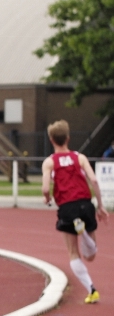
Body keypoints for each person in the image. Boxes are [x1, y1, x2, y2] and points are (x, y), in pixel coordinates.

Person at [41, 120, 108, 304]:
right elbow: (94, 180)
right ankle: (85, 234)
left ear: (51, 139)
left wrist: (47, 199)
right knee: (91, 256)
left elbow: (46, 188)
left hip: (67, 208)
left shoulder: (49, 162)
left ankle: (91, 290)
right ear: (68, 139)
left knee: (73, 254)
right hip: (86, 204)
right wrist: (101, 206)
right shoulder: (80, 157)